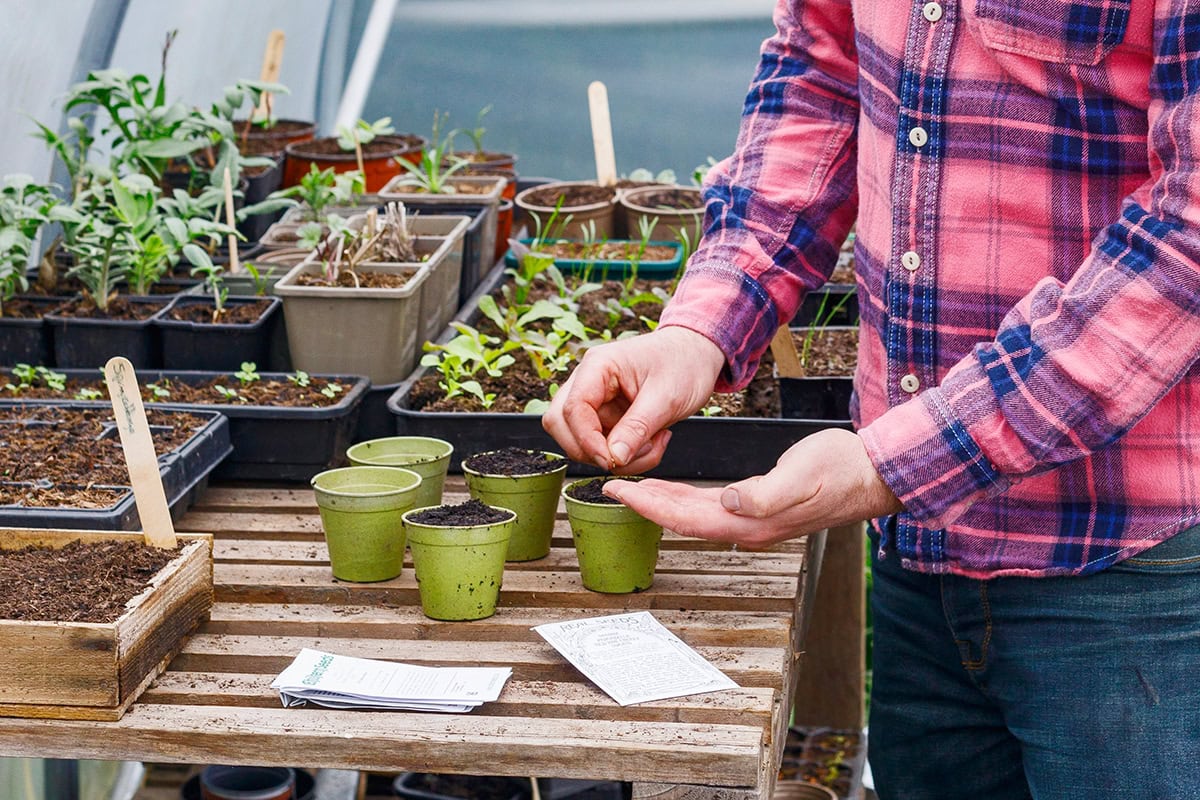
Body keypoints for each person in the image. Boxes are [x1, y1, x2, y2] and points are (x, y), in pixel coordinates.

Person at [542, 1, 1200, 797]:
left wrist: (897, 462)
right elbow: (821, 73)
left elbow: (1188, 236)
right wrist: (702, 328)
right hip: (918, 556)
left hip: (1131, 574)